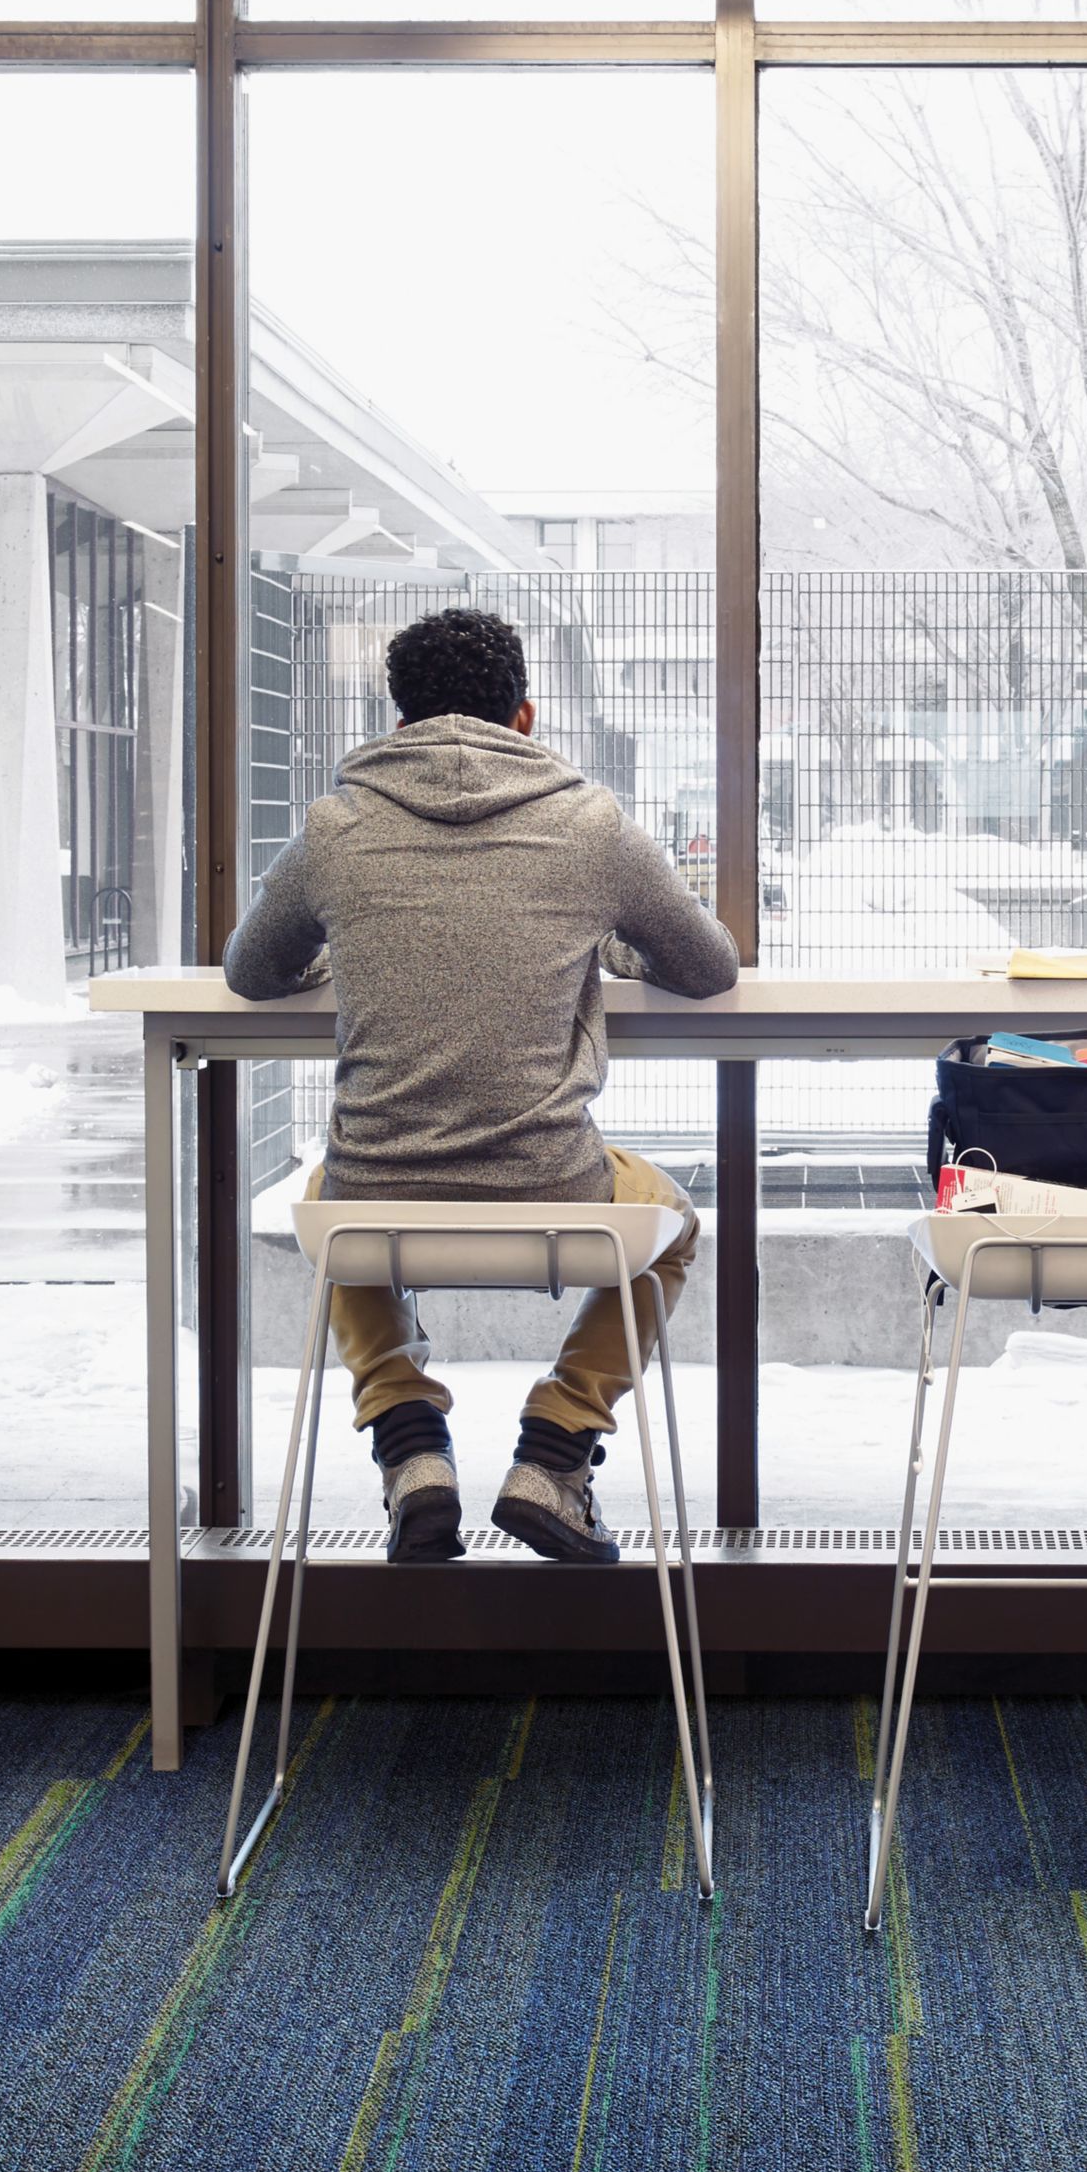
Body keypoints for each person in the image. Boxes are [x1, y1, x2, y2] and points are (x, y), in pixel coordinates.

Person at [222, 605, 738, 1565]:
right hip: (556, 1186)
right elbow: (708, 967)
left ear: (397, 719)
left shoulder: (334, 827)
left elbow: (250, 970)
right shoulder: (592, 824)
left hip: (377, 1191)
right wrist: (612, 945)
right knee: (672, 1224)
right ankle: (555, 1449)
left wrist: (344, 953)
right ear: (527, 717)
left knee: (337, 1197)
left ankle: (409, 1443)